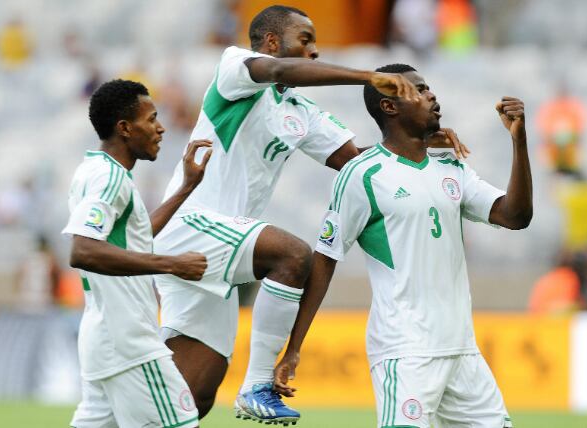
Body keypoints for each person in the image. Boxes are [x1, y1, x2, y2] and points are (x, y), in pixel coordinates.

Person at [153, 5, 468, 424]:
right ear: (271, 42)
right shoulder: (234, 70)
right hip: (190, 224)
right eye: (305, 40)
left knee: (192, 397)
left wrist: (420, 143)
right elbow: (281, 72)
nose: (315, 51)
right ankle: (258, 384)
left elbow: (357, 162)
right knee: (293, 256)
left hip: (223, 248)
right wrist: (367, 77)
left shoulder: (301, 113)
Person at [274, 64, 533, 428]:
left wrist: (518, 141)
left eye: (429, 87)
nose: (432, 95)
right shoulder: (362, 174)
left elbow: (516, 216)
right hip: (405, 352)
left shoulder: (450, 167)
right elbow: (325, 260)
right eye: (419, 89)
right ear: (390, 107)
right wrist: (294, 348)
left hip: (462, 353)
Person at [63, 79, 213, 428]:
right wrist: (172, 264)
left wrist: (186, 188)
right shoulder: (110, 178)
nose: (160, 128)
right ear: (125, 128)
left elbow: (135, 239)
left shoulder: (93, 170)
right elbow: (83, 250)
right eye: (151, 119)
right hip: (130, 342)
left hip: (106, 339)